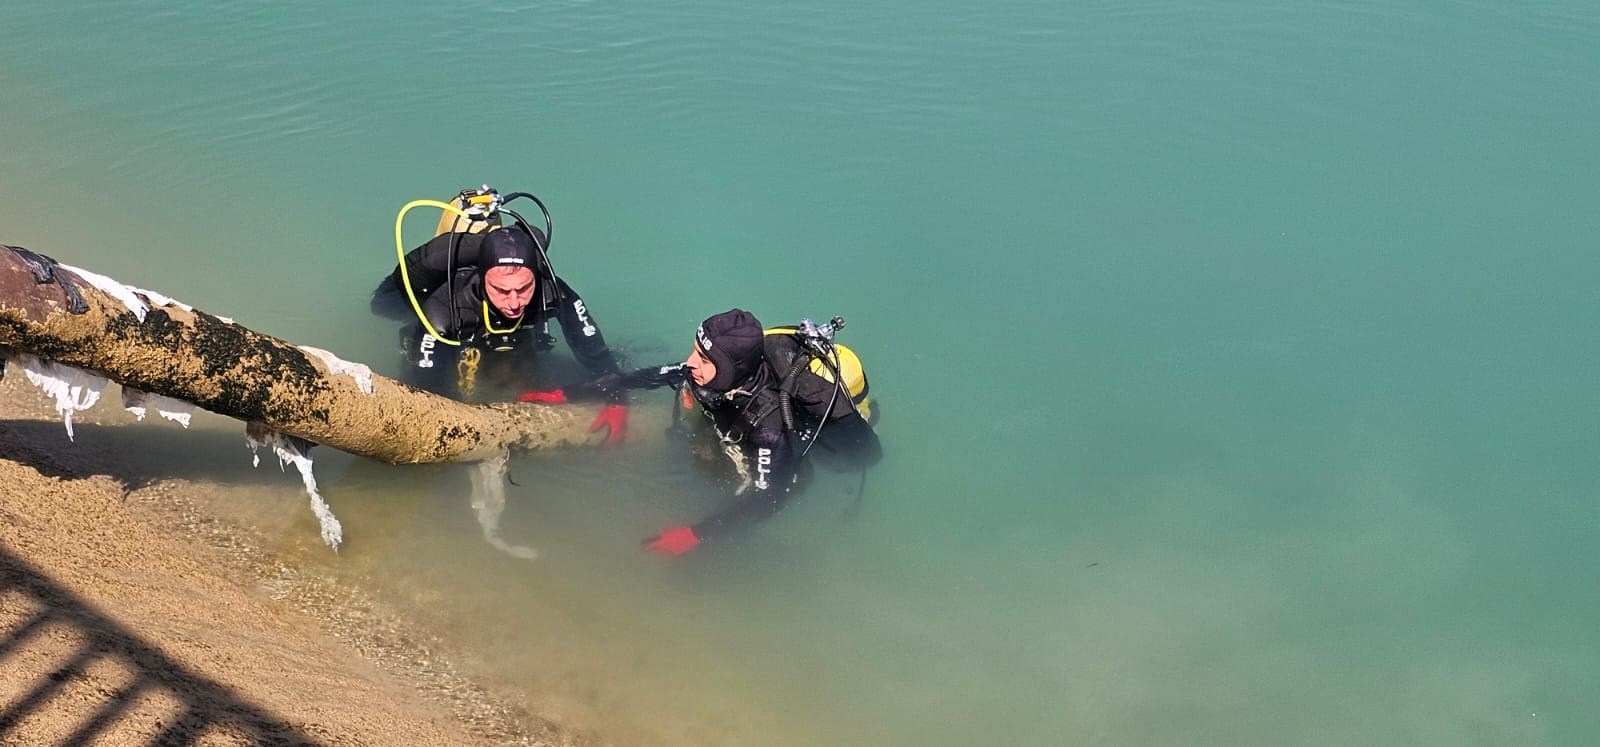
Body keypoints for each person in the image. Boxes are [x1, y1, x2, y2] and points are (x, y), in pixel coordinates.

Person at [524, 309, 882, 555]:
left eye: (704, 360)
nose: (691, 362)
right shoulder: (718, 371)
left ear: (732, 370)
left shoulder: (768, 425)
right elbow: (647, 376)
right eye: (696, 350)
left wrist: (697, 534)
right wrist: (567, 394)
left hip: (788, 457)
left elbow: (767, 496)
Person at [371, 190, 628, 443]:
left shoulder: (553, 292)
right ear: (482, 279)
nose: (515, 302)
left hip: (498, 326)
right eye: (502, 290)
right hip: (421, 298)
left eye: (524, 288)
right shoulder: (444, 311)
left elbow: (596, 353)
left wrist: (617, 400)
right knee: (407, 339)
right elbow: (428, 392)